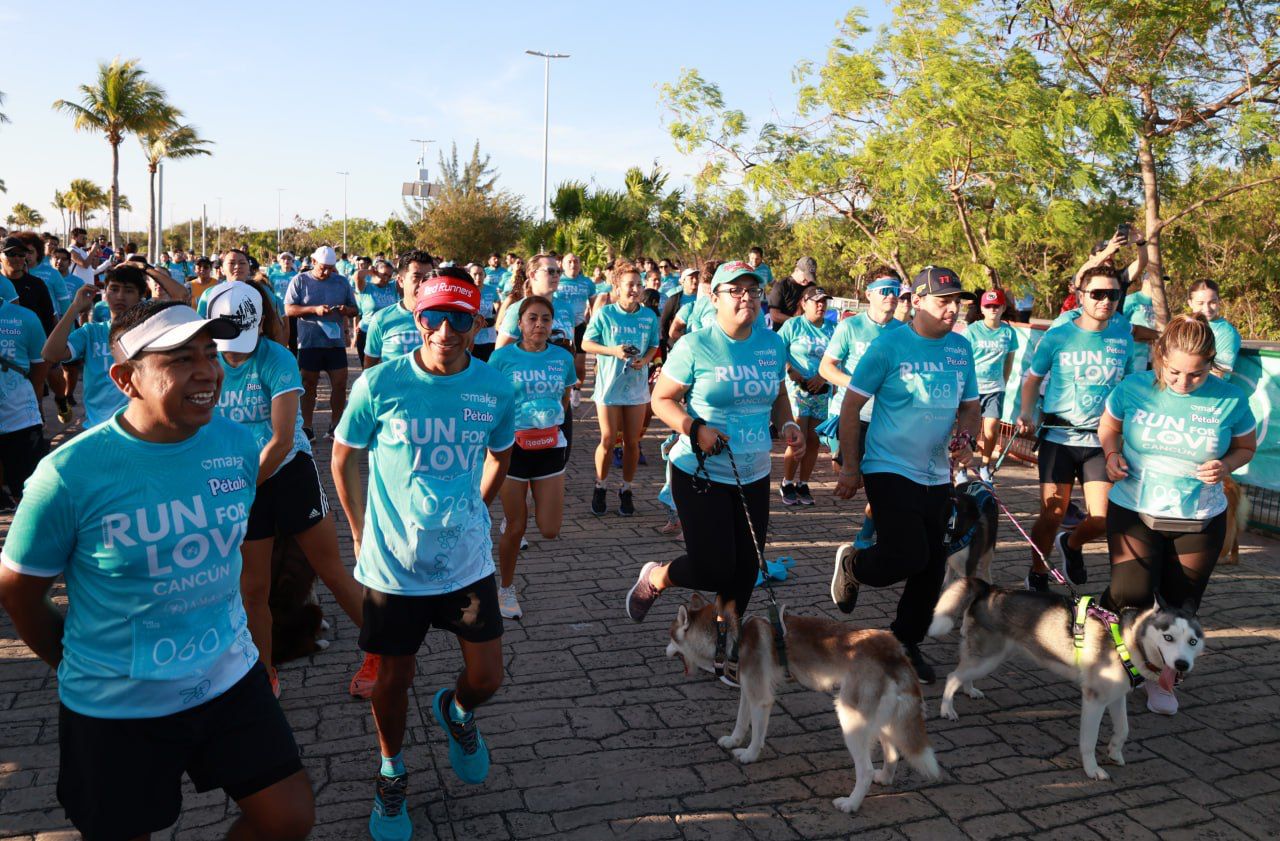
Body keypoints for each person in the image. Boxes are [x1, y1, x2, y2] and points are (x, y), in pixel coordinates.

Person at [0, 300, 314, 840]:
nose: (207, 371)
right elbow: (20, 595)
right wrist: (81, 664)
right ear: (126, 378)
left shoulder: (240, 446)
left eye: (209, 353)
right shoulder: (67, 474)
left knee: (287, 818)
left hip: (227, 678)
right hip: (116, 706)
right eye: (178, 359)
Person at [330, 274, 514, 840]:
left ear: (477, 326)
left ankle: (456, 713)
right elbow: (343, 459)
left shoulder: (494, 387)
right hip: (394, 564)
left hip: (465, 561)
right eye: (434, 317)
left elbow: (499, 456)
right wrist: (361, 533)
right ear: (416, 319)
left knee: (487, 678)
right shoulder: (379, 384)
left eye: (460, 319)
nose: (445, 330)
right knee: (392, 677)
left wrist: (474, 507)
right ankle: (392, 773)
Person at [625, 262, 804, 683]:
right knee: (712, 566)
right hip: (699, 471)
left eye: (754, 291)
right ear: (716, 297)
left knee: (744, 571)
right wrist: (696, 428)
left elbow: (777, 393)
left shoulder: (771, 344)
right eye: (736, 291)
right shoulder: (695, 345)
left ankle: (726, 648)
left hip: (754, 472)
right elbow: (662, 400)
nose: (747, 298)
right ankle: (656, 576)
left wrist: (790, 423)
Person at [205, 281, 368, 699]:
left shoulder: (276, 358)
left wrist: (241, 489)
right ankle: (264, 673)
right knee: (253, 588)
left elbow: (280, 438)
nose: (234, 349)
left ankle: (386, 653)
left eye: (245, 334)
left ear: (261, 323)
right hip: (236, 480)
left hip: (287, 472)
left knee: (331, 571)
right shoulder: (205, 361)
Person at [1098, 314, 1256, 715]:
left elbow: (1245, 448)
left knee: (1179, 608)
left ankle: (1162, 681)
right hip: (1135, 508)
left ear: (1211, 364)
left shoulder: (1231, 398)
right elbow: (1108, 428)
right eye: (1175, 372)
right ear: (1160, 354)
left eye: (1197, 375)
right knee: (1130, 594)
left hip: (1199, 518)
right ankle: (1109, 656)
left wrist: (1226, 466)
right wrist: (1112, 456)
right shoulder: (1132, 387)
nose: (1184, 383)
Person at [831, 266, 981, 683]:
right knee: (908, 554)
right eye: (942, 301)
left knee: (932, 565)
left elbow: (970, 407)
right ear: (917, 301)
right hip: (887, 465)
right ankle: (856, 565)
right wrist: (850, 465)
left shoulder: (960, 349)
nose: (952, 310)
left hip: (936, 472)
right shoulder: (888, 346)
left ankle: (904, 641)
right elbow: (850, 406)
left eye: (957, 302)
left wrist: (966, 439)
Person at [1017, 266, 1135, 592]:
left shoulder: (1122, 338)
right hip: (1059, 438)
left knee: (1103, 518)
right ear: (1081, 295)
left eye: (1113, 294)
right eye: (1097, 293)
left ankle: (1070, 544)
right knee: (1052, 512)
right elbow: (1032, 380)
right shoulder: (1059, 335)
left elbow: (1127, 386)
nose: (1105, 301)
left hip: (1100, 440)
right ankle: (1038, 571)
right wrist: (1027, 412)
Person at [488, 296, 577, 619]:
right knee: (516, 525)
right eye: (532, 318)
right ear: (519, 323)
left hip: (550, 448)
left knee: (550, 529)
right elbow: (490, 401)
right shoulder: (500, 358)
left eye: (545, 319)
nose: (539, 325)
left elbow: (565, 397)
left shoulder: (562, 357)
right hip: (513, 450)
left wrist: (547, 421)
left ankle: (517, 511)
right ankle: (506, 589)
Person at [818, 272, 906, 545]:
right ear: (868, 295)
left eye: (896, 291)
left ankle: (867, 534)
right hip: (853, 416)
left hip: (886, 420)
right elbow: (826, 368)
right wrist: (859, 386)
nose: (891, 296)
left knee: (881, 486)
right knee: (850, 481)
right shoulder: (850, 327)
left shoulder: (905, 332)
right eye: (885, 291)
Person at [581, 262, 660, 516]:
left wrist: (646, 360)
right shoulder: (605, 313)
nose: (635, 289)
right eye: (630, 285)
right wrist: (612, 351)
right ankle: (600, 485)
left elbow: (653, 346)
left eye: (639, 284)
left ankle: (626, 489)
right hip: (609, 387)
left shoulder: (648, 316)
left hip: (636, 388)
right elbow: (586, 343)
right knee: (607, 439)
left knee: (632, 442)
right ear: (617, 287)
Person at [42, 267, 147, 428]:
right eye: (114, 289)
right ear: (105, 293)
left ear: (140, 296)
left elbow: (180, 295)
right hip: (97, 428)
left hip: (140, 429)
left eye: (128, 291)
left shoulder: (150, 331)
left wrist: (148, 270)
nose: (120, 296)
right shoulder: (91, 332)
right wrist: (75, 307)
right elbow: (50, 354)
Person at [284, 245, 358, 438]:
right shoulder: (300, 280)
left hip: (335, 343)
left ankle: (336, 425)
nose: (326, 272)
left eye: (331, 268)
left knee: (340, 383)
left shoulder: (341, 282)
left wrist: (344, 310)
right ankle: (307, 427)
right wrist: (313, 310)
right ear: (313, 262)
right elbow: (289, 309)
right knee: (308, 384)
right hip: (309, 342)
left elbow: (354, 309)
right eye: (323, 267)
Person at [778, 286, 836, 505]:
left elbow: (839, 356)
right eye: (816, 301)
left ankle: (803, 483)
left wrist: (824, 377)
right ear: (804, 303)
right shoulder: (793, 325)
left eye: (824, 302)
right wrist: (790, 369)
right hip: (797, 389)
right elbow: (777, 350)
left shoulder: (833, 328)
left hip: (822, 390)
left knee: (813, 440)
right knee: (797, 438)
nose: (821, 305)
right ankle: (787, 482)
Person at [964, 289, 1018, 482]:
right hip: (972, 389)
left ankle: (985, 465)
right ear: (982, 308)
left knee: (992, 428)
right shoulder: (971, 331)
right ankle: (962, 467)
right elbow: (964, 360)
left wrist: (1003, 381)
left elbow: (1009, 361)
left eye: (997, 306)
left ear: (1003, 308)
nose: (993, 309)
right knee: (968, 429)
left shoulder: (1009, 332)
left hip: (995, 389)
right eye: (988, 306)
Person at [0, 287, 47, 507]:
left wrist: (37, 402)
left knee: (28, 493)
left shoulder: (25, 318)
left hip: (20, 417)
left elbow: (39, 368)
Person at [364, 251, 434, 367]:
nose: (423, 284)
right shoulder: (381, 319)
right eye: (416, 277)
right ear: (401, 281)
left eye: (428, 278)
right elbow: (369, 370)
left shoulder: (445, 317)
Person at [558, 253, 594, 407]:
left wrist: (592, 325)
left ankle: (577, 390)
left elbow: (594, 306)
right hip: (560, 327)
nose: (573, 265)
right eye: (570, 262)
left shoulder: (587, 282)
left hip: (580, 326)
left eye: (576, 262)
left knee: (579, 365)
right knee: (562, 363)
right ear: (563, 265)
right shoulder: (557, 281)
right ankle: (560, 392)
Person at [1187, 280, 1242, 375]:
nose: (1207, 308)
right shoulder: (1185, 324)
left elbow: (1219, 374)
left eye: (1212, 302)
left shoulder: (1227, 333)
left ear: (1219, 301)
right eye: (1200, 303)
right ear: (1190, 303)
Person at [354, 258, 399, 366]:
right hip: (366, 332)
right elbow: (357, 275)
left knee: (386, 367)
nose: (386, 278)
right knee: (368, 369)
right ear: (375, 271)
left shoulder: (392, 286)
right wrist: (370, 272)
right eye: (384, 274)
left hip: (387, 333)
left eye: (389, 276)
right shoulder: (366, 287)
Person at [766, 256, 817, 329]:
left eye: (810, 277)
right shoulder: (782, 285)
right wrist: (798, 322)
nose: (808, 280)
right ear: (797, 270)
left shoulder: (811, 286)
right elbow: (774, 315)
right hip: (782, 332)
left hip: (804, 334)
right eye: (806, 276)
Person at [470, 262, 500, 362]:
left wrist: (496, 319)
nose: (478, 277)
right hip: (472, 336)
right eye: (475, 274)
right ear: (470, 275)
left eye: (481, 274)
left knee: (489, 363)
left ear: (485, 275)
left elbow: (498, 303)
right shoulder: (467, 290)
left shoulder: (491, 289)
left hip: (489, 335)